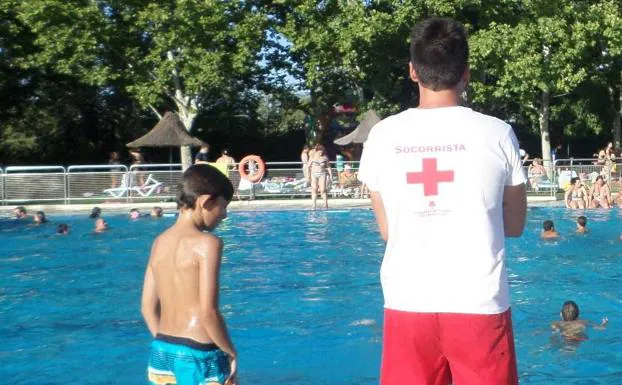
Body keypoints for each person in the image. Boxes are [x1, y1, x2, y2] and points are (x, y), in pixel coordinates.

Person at [358, 18, 526, 385]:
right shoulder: (498, 133)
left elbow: (387, 230)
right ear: (465, 73)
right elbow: (514, 226)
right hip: (479, 304)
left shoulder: (382, 136)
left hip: (407, 302)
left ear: (412, 71)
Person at [141, 164, 237, 385]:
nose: (224, 214)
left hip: (161, 354)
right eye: (222, 207)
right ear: (205, 202)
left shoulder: (159, 242)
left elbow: (147, 307)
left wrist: (168, 347)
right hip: (200, 354)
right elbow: (208, 313)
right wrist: (231, 352)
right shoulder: (208, 244)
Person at [307, 144, 333, 210]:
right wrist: (308, 176)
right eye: (319, 152)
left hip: (322, 174)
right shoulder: (312, 157)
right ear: (317, 151)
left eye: (322, 152)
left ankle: (326, 204)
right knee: (314, 189)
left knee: (323, 190)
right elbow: (308, 166)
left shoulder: (325, 157)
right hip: (314, 174)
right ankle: (314, 205)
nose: (321, 153)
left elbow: (328, 166)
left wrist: (331, 175)